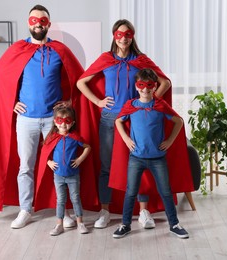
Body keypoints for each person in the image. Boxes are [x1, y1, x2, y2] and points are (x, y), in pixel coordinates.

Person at [0, 5, 87, 229]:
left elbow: (78, 78)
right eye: (34, 20)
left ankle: (62, 211)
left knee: (58, 165)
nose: (38, 23)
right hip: (26, 119)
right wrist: (11, 102)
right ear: (29, 23)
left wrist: (68, 101)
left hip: (54, 121)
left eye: (43, 20)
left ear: (48, 23)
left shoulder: (60, 50)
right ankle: (25, 209)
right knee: (25, 166)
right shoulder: (18, 49)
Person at [77, 19, 172, 229]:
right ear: (114, 36)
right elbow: (81, 82)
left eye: (127, 34)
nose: (124, 38)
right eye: (119, 34)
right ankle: (105, 211)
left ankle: (144, 210)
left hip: (137, 119)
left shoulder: (141, 59)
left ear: (133, 36)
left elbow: (165, 82)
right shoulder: (106, 59)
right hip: (110, 118)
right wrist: (98, 101)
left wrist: (148, 100)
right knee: (106, 165)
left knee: (141, 164)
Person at [112, 68, 189, 239]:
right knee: (131, 191)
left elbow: (178, 121)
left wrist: (169, 141)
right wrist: (125, 139)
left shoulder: (160, 106)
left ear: (155, 87)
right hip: (136, 158)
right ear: (136, 86)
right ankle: (125, 225)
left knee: (166, 191)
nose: (145, 89)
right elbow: (118, 120)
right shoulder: (131, 106)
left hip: (157, 158)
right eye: (141, 85)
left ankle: (174, 224)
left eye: (149, 86)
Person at [41, 107, 91, 236]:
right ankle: (59, 224)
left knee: (75, 198)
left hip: (73, 175)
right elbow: (44, 152)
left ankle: (80, 223)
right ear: (55, 122)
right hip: (58, 175)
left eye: (67, 120)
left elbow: (87, 147)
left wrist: (80, 159)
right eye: (60, 120)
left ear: (72, 122)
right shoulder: (52, 137)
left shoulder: (75, 137)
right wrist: (49, 162)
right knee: (60, 200)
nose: (63, 124)